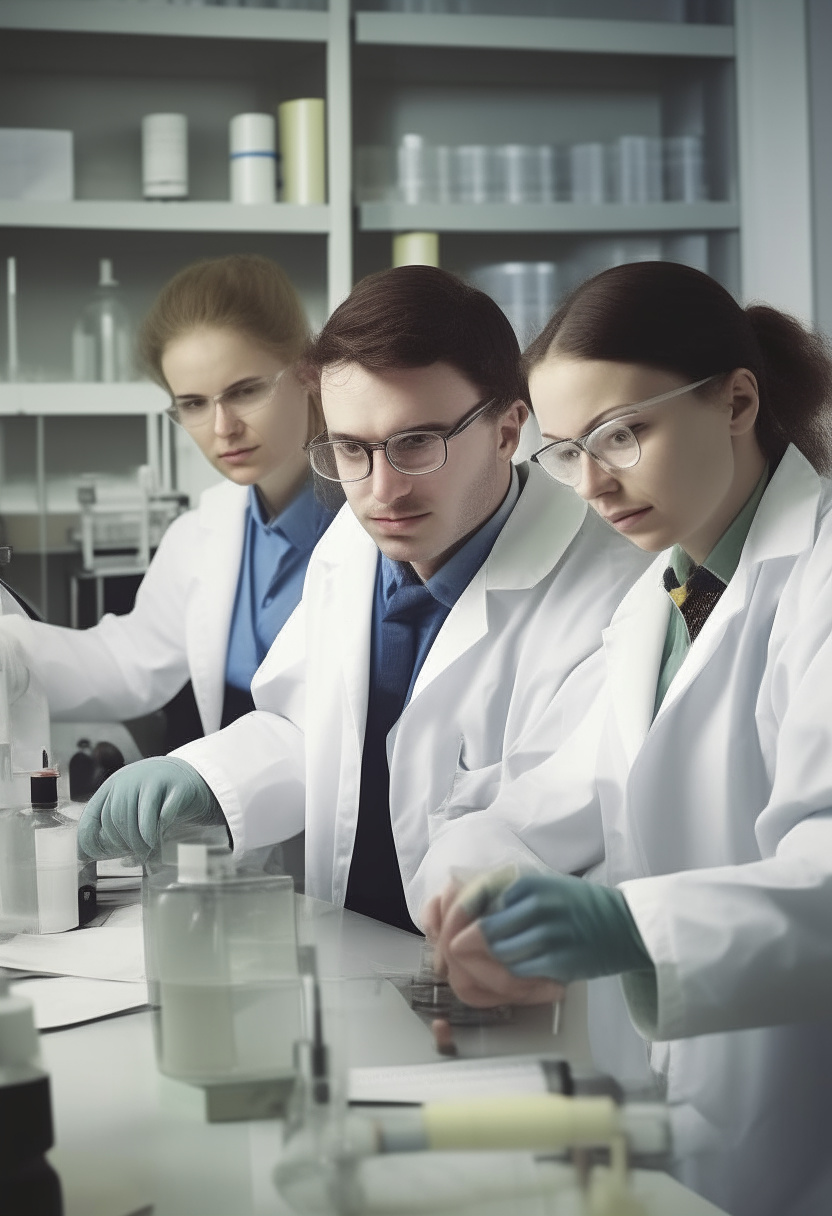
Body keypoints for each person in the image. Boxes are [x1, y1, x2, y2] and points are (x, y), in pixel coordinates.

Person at [426, 261, 832, 1216]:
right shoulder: (661, 598)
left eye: (621, 434)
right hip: (680, 1113)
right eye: (565, 452)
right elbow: (539, 801)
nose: (593, 483)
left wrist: (631, 929)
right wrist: (481, 883)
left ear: (737, 400)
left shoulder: (816, 585)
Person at [77, 265, 650, 935]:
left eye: (416, 444)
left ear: (506, 429)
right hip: (354, 944)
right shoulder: (353, 542)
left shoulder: (611, 588)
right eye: (350, 449)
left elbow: (554, 815)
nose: (381, 491)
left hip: (507, 973)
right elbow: (306, 728)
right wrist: (208, 777)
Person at [0, 255, 335, 742]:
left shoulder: (376, 519)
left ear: (307, 373)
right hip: (233, 805)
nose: (223, 428)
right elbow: (131, 661)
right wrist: (11, 651)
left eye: (244, 391)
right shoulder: (202, 532)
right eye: (193, 404)